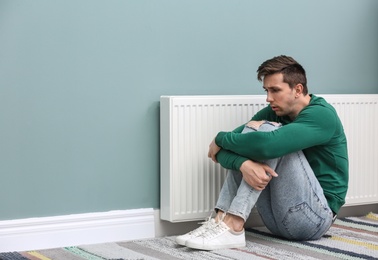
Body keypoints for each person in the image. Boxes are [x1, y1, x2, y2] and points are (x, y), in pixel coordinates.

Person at [175, 55, 349, 251]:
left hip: (314, 220)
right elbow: (220, 152)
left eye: (275, 90)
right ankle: (220, 220)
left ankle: (233, 224)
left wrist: (220, 138)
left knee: (266, 134)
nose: (268, 98)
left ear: (298, 89)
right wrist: (244, 164)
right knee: (253, 131)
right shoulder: (274, 111)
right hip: (275, 219)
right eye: (267, 90)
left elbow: (264, 146)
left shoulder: (322, 115)